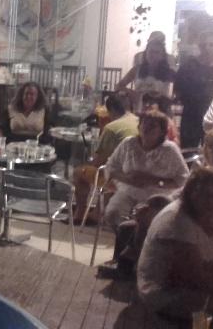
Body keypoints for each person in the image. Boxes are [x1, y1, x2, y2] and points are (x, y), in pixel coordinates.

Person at [138, 168, 213, 328]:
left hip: (197, 279)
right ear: (190, 193)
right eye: (205, 194)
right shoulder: (178, 219)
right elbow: (195, 277)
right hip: (164, 291)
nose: (211, 200)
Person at [103, 110, 189, 231]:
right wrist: (128, 178)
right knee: (113, 213)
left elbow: (183, 179)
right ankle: (125, 238)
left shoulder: (170, 150)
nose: (147, 128)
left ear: (162, 131)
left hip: (157, 196)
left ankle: (140, 240)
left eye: (152, 125)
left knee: (145, 221)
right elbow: (111, 167)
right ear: (139, 126)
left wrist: (153, 181)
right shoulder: (128, 143)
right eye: (144, 123)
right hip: (128, 191)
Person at [72, 92, 139, 222]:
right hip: (138, 176)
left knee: (79, 173)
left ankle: (80, 214)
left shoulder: (112, 127)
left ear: (111, 110)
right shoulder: (139, 122)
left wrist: (89, 159)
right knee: (110, 170)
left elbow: (98, 162)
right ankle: (97, 213)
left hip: (119, 178)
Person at [174, 30, 213, 148]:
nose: (207, 48)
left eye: (211, 44)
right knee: (188, 149)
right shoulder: (188, 66)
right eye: (203, 45)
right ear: (199, 46)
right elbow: (178, 89)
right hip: (192, 114)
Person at [116, 37, 176, 108]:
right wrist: (131, 93)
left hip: (161, 110)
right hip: (139, 109)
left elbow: (179, 91)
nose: (153, 55)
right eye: (150, 51)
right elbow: (119, 86)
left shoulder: (169, 71)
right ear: (146, 53)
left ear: (162, 56)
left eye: (157, 52)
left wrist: (170, 99)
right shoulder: (137, 69)